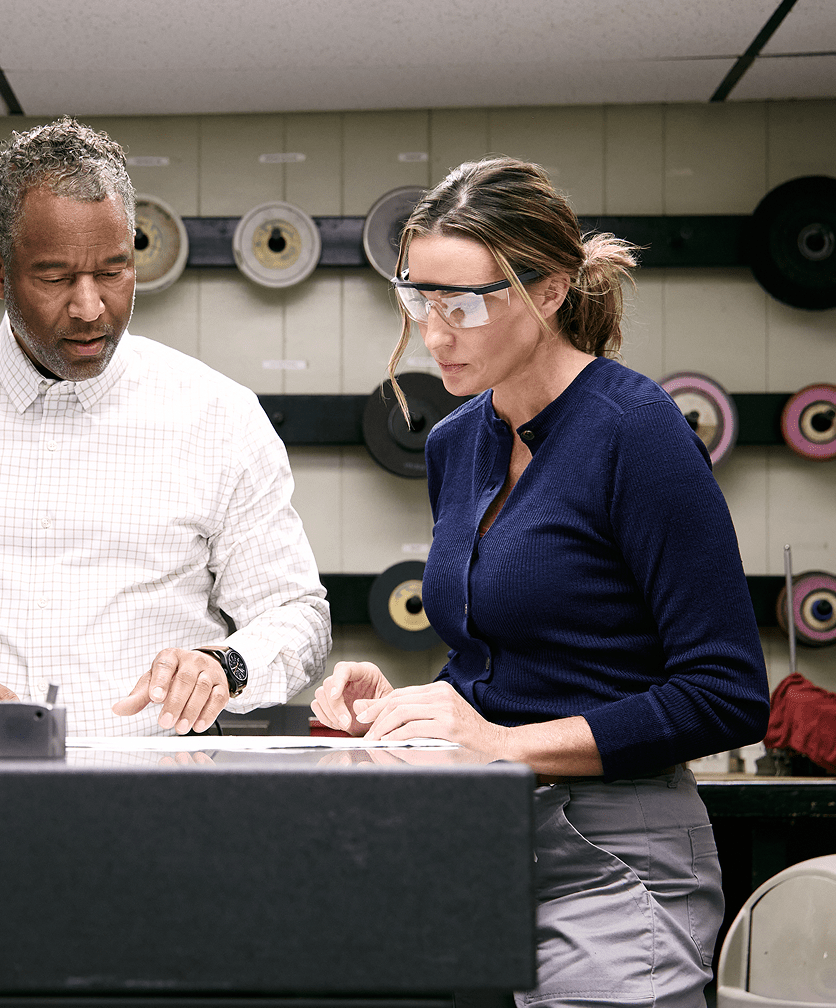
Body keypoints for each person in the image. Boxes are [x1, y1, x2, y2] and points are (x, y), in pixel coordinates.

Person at [311, 157, 769, 1008]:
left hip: (619, 857)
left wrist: (504, 745)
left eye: (464, 304)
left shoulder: (637, 430)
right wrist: (410, 702)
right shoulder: (456, 442)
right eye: (418, 300)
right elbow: (515, 661)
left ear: (551, 290)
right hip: (483, 840)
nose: (435, 334)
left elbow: (729, 693)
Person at [0, 117, 329, 737]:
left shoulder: (221, 417)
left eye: (113, 271)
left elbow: (296, 614)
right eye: (54, 277)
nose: (89, 306)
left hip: (153, 800)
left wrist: (226, 665)